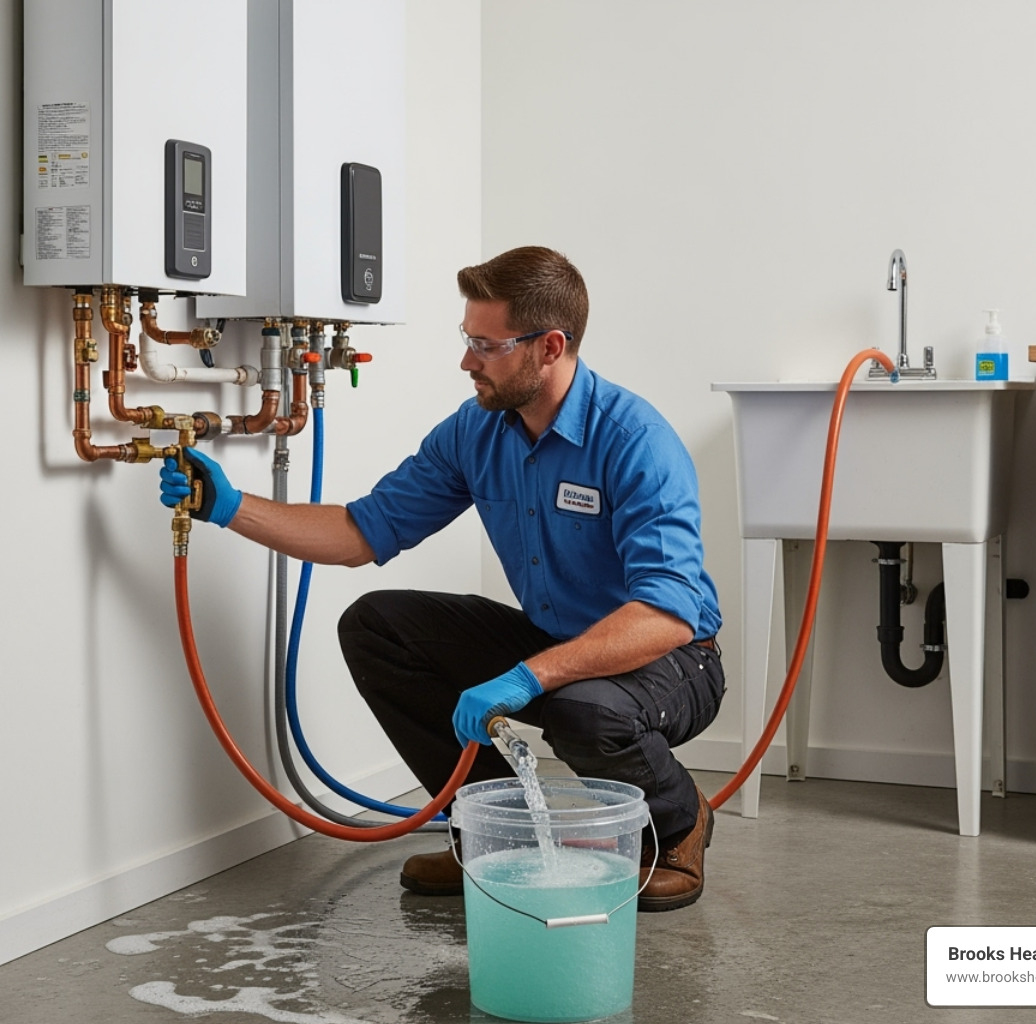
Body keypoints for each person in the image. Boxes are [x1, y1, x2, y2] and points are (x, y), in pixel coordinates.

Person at [159, 246, 724, 912]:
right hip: (560, 643)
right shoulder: (477, 432)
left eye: (486, 345)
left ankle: (681, 821)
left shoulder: (634, 441)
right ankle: (495, 840)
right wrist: (230, 507)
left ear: (549, 347)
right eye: (468, 339)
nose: (467, 361)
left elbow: (666, 613)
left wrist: (528, 677)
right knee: (377, 627)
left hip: (671, 659)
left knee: (584, 711)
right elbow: (363, 531)